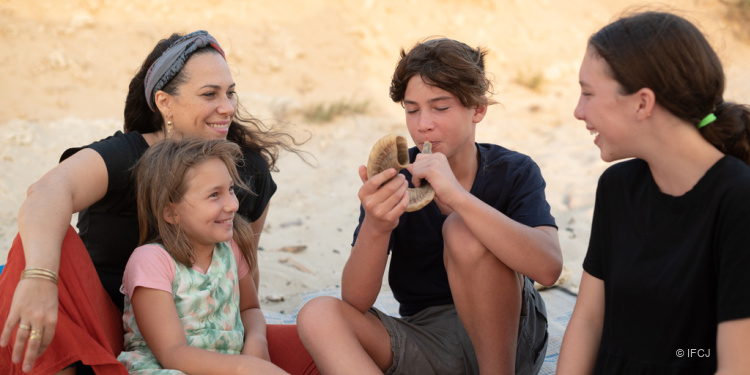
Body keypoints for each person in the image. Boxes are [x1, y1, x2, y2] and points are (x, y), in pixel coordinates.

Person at [0, 31, 318, 375]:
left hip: (208, 341)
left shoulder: (245, 170)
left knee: (321, 344)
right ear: (164, 102)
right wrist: (40, 278)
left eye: (230, 93)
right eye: (209, 94)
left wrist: (253, 351)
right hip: (108, 331)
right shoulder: (125, 156)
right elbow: (46, 193)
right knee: (39, 245)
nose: (227, 108)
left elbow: (242, 286)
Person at [297, 37, 563, 374]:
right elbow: (356, 301)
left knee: (462, 231)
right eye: (411, 110)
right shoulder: (396, 178)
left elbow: (549, 268)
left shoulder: (514, 170)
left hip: (510, 340)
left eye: (440, 107)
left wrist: (458, 200)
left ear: (477, 109)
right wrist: (377, 226)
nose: (423, 124)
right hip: (428, 338)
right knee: (318, 313)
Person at [556, 11, 750, 375]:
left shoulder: (737, 200)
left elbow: (737, 364)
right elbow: (588, 322)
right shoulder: (616, 187)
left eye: (587, 93)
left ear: (642, 103)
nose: (578, 111)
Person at [117, 137, 288, 374]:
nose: (232, 205)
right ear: (171, 211)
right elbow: (171, 353)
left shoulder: (230, 248)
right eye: (214, 195)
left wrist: (257, 342)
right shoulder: (151, 261)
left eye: (230, 189)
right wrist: (243, 367)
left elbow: (250, 309)